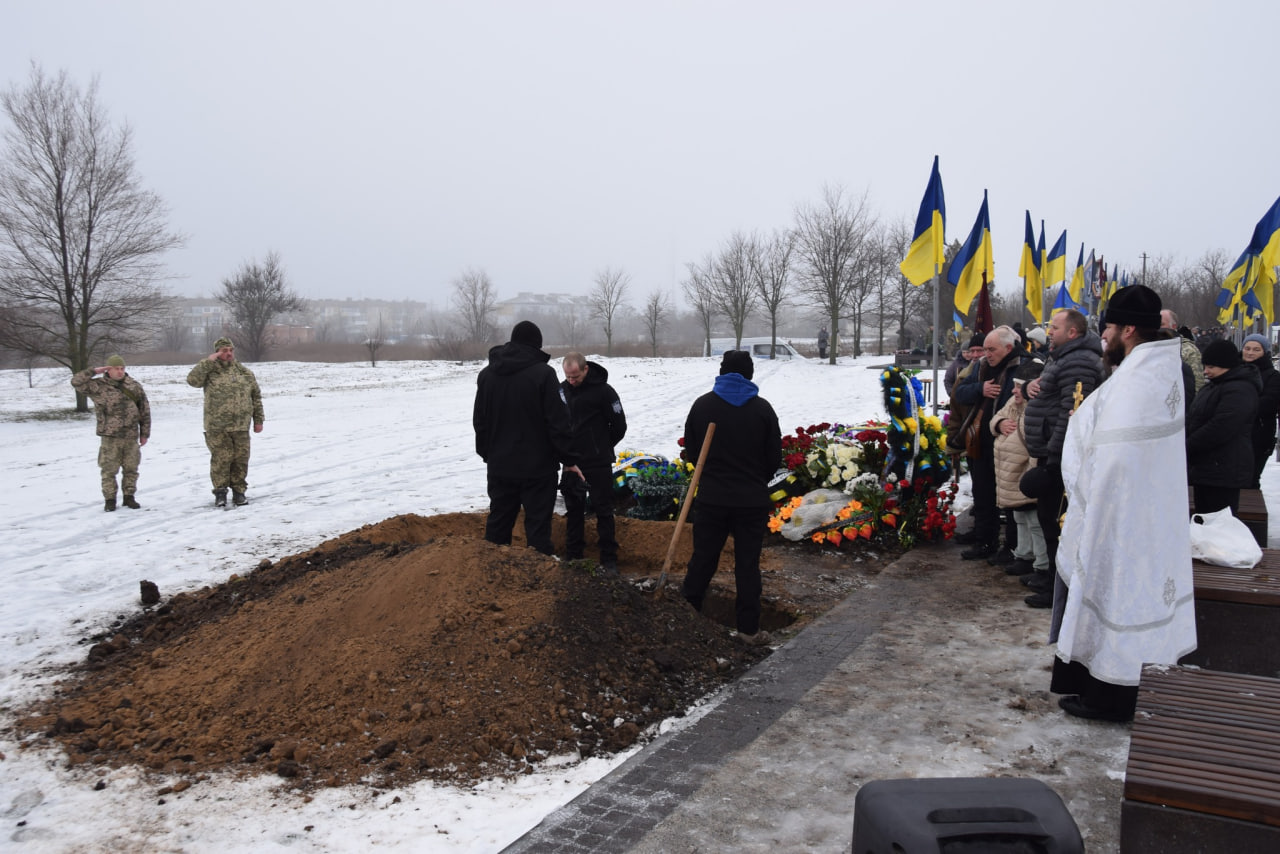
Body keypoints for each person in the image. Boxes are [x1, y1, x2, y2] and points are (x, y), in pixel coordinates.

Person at [1051, 284, 1196, 722]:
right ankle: (1111, 689)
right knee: (1133, 596)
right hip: (1149, 512)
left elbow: (1112, 460)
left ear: (1129, 329)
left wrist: (1088, 497)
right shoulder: (1156, 370)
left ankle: (1110, 697)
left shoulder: (1138, 379)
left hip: (1123, 515)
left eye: (1110, 326)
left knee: (1119, 596)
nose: (1105, 336)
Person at [680, 350, 782, 646]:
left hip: (712, 499)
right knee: (747, 565)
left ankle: (687, 619)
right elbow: (773, 457)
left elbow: (693, 451)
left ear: (722, 372)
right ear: (749, 374)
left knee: (702, 560)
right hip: (751, 501)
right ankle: (748, 630)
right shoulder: (762, 409)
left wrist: (712, 474)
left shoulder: (702, 406)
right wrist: (754, 479)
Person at [474, 321, 582, 555]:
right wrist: (569, 459)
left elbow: (480, 422)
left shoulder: (486, 376)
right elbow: (557, 422)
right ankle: (537, 586)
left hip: (500, 466)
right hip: (538, 470)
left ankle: (488, 578)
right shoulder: (543, 374)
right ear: (537, 346)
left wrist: (489, 455)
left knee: (498, 526)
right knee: (537, 530)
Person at [1021, 309, 1105, 607]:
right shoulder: (1063, 357)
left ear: (1072, 332)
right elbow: (1050, 395)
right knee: (1047, 519)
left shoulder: (1079, 361)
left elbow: (1071, 411)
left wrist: (1056, 459)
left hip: (1062, 459)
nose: (1049, 331)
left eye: (1054, 327)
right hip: (1051, 452)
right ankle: (1050, 579)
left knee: (1058, 523)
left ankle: (1059, 589)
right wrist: (1029, 390)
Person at [952, 326, 1027, 559]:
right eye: (984, 349)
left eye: (991, 349)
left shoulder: (1024, 365)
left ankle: (1012, 548)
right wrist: (980, 388)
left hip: (1008, 443)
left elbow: (1024, 403)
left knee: (1008, 498)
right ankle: (984, 540)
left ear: (1008, 348)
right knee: (982, 492)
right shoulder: (983, 367)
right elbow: (959, 393)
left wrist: (1003, 421)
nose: (986, 354)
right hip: (979, 440)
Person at [559, 352, 627, 573]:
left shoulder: (604, 391)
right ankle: (574, 557)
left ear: (585, 369)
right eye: (568, 376)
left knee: (603, 510)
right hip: (571, 462)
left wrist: (602, 446)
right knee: (574, 511)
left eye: (575, 376)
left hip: (598, 462)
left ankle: (609, 559)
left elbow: (619, 426)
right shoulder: (561, 391)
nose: (572, 381)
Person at [187, 337, 264, 508]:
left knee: (240, 460)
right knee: (221, 459)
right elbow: (193, 381)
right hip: (217, 426)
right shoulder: (209, 370)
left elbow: (256, 397)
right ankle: (220, 493)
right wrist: (208, 362)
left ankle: (239, 492)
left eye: (230, 350)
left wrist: (258, 420)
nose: (228, 353)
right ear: (217, 352)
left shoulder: (244, 372)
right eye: (223, 350)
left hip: (240, 425)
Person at [990, 359, 1048, 581]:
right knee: (1020, 518)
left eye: (1019, 385)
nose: (1014, 390)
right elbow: (995, 420)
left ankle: (1041, 564)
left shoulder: (1034, 409)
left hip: (1024, 476)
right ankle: (1023, 555)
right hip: (1010, 475)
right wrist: (1000, 424)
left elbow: (1035, 449)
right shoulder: (1013, 405)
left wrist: (1032, 478)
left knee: (1035, 523)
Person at [1186, 339, 1258, 516]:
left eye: (1210, 367)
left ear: (1225, 365)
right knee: (1205, 521)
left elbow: (1220, 427)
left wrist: (1187, 444)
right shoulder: (1214, 386)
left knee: (1219, 524)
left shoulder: (1240, 389)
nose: (1205, 371)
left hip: (1224, 470)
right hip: (1207, 469)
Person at [71, 355, 151, 512]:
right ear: (109, 369)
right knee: (108, 470)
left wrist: (145, 433)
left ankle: (129, 497)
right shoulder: (98, 386)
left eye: (122, 369)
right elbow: (76, 382)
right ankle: (110, 499)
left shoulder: (134, 386)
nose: (120, 372)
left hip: (130, 435)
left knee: (131, 469)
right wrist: (93, 371)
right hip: (110, 436)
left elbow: (144, 410)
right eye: (116, 369)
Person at [1241, 333, 1280, 488]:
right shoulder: (1234, 370)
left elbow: (1268, 403)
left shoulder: (1273, 376)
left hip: (1259, 435)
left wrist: (1239, 407)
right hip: (1234, 434)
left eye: (1256, 349)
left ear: (1265, 352)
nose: (1250, 352)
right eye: (1247, 348)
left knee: (1250, 479)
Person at [1161, 309, 1205, 393]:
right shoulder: (1148, 348)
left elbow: (1198, 384)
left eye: (1162, 324)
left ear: (1173, 326)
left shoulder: (1188, 350)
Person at [944, 334, 984, 399]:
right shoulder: (956, 363)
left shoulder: (976, 364)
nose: (966, 355)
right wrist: (951, 393)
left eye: (968, 352)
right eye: (963, 352)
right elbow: (948, 380)